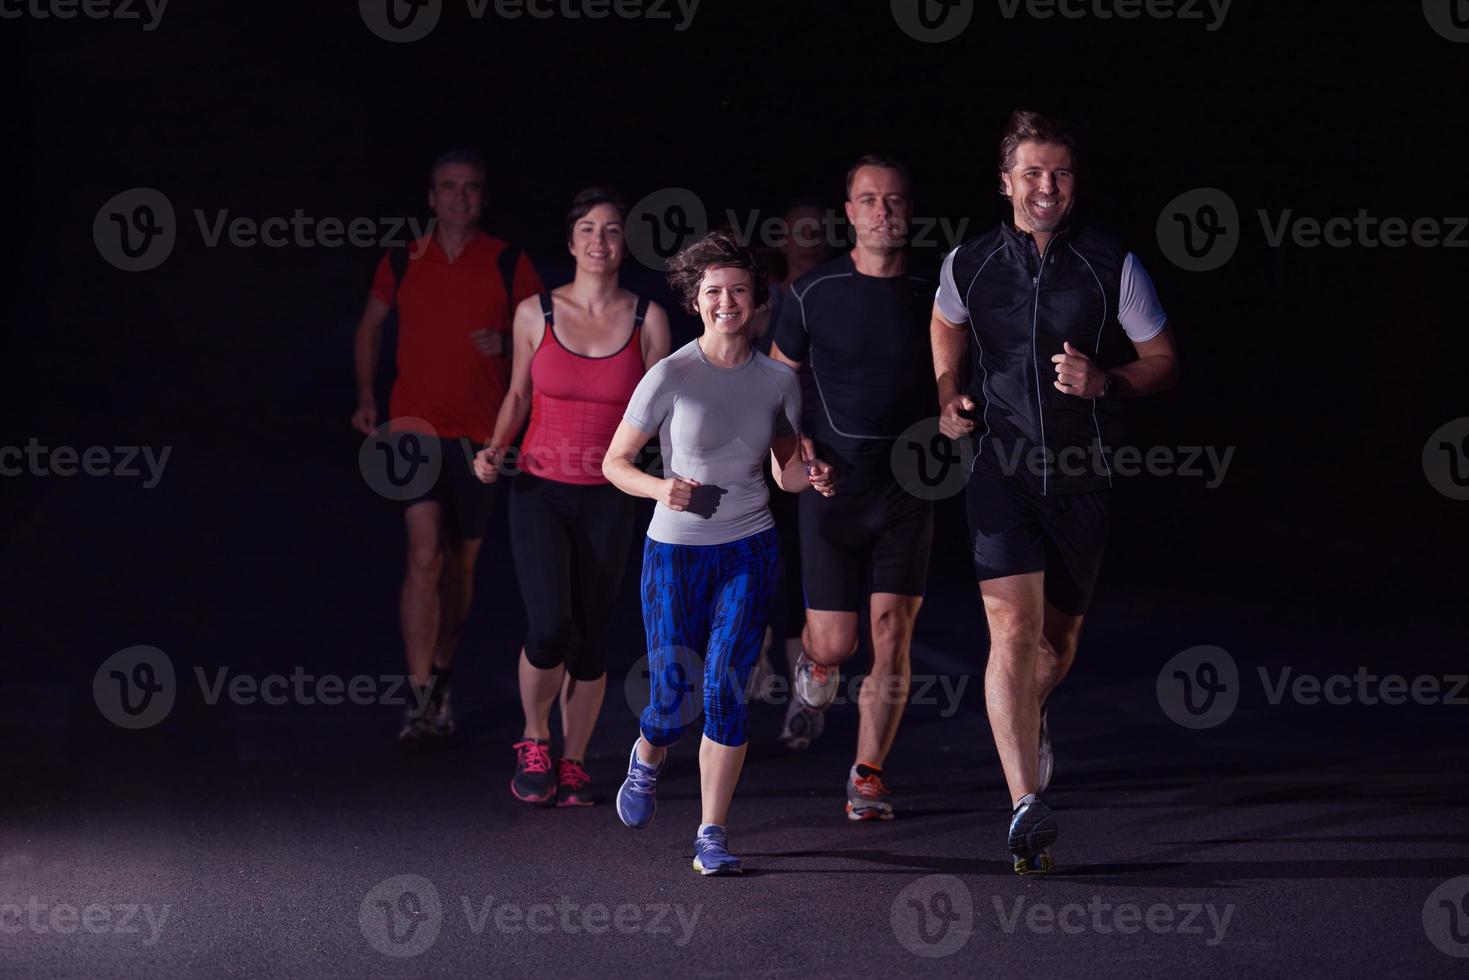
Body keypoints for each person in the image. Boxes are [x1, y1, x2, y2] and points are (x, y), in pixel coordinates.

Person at [931, 110, 1180, 874]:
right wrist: (947, 394)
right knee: (1010, 633)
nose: (1047, 186)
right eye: (1032, 172)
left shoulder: (1113, 266)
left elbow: (1163, 359)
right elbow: (946, 325)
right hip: (1000, 472)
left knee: (1055, 644)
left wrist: (1106, 380)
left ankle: (1029, 717)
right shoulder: (967, 262)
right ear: (1005, 181)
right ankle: (1023, 804)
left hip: (1084, 477)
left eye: (1061, 172)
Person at [602, 230, 836, 875]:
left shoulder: (776, 381)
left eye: (738, 290)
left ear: (758, 301)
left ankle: (712, 833)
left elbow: (786, 471)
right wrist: (661, 487)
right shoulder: (671, 375)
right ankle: (648, 756)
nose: (726, 302)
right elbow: (614, 463)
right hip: (674, 552)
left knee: (727, 687)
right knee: (673, 696)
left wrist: (811, 475)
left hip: (749, 546)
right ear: (695, 302)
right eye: (713, 292)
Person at [472, 188, 671, 806]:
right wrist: (493, 447)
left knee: (590, 633)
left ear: (623, 244)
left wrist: (679, 477)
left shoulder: (649, 319)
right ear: (571, 242)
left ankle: (576, 758)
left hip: (610, 493)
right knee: (549, 623)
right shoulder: (537, 313)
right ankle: (535, 738)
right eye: (588, 229)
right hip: (538, 487)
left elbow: (666, 412)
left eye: (612, 231)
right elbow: (516, 397)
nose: (600, 241)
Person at [352, 148, 544, 742]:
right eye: (448, 187)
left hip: (484, 438)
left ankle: (441, 675)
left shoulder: (510, 262)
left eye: (471, 187)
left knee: (461, 568)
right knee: (423, 554)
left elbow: (542, 344)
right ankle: (419, 697)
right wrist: (366, 396)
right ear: (431, 198)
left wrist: (506, 348)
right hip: (414, 433)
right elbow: (369, 327)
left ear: (483, 198)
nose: (460, 196)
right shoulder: (403, 260)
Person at [767, 155, 938, 819]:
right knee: (835, 644)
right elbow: (777, 383)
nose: (882, 212)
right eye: (868, 200)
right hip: (831, 487)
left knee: (891, 630)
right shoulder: (813, 292)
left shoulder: (933, 287)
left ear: (907, 208)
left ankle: (866, 773)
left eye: (893, 200)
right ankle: (812, 665)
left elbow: (958, 369)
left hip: (907, 488)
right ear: (850, 212)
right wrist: (795, 446)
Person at [747, 199, 834, 748]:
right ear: (780, 235)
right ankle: (758, 651)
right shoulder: (766, 298)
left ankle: (807, 701)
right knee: (762, 558)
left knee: (812, 572)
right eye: (798, 230)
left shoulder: (836, 289)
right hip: (765, 446)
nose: (807, 238)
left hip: (825, 449)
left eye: (817, 229)